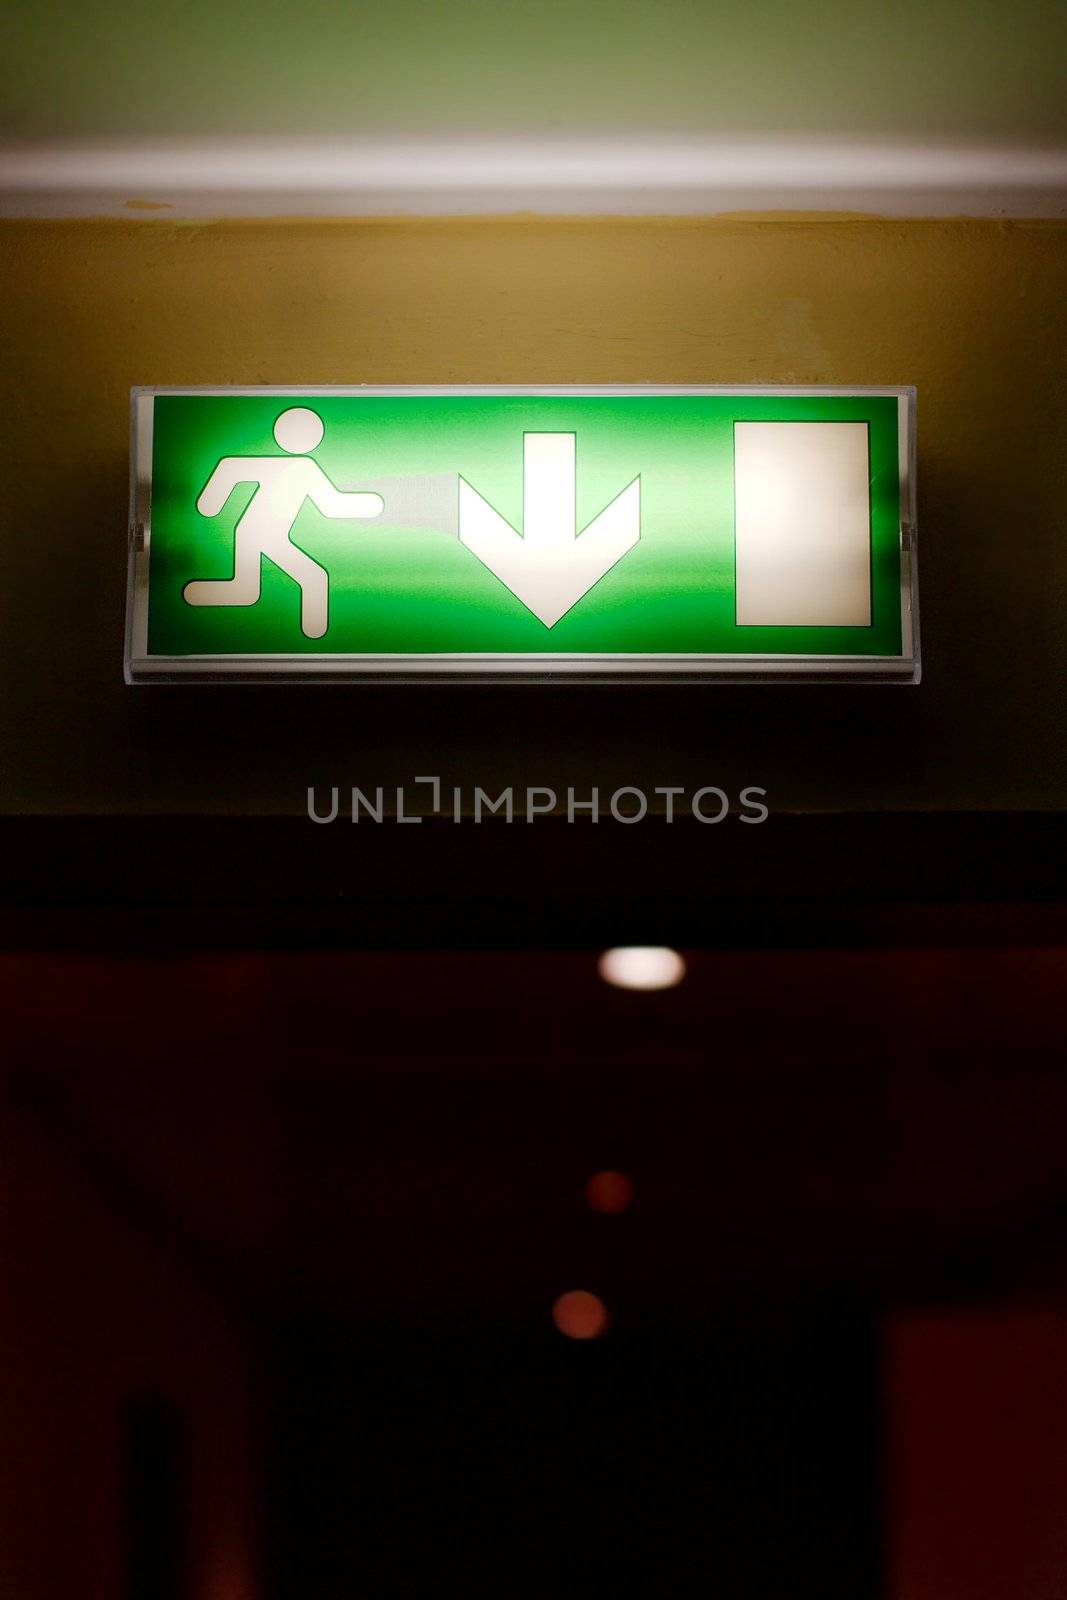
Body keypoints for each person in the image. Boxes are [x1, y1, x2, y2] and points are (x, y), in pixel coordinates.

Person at [184, 406, 383, 639]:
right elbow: (230, 471)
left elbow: (330, 505)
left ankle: (200, 593)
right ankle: (313, 632)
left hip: (262, 535)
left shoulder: (305, 469)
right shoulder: (302, 468)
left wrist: (371, 504)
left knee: (257, 587)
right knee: (308, 579)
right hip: (257, 533)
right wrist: (372, 504)